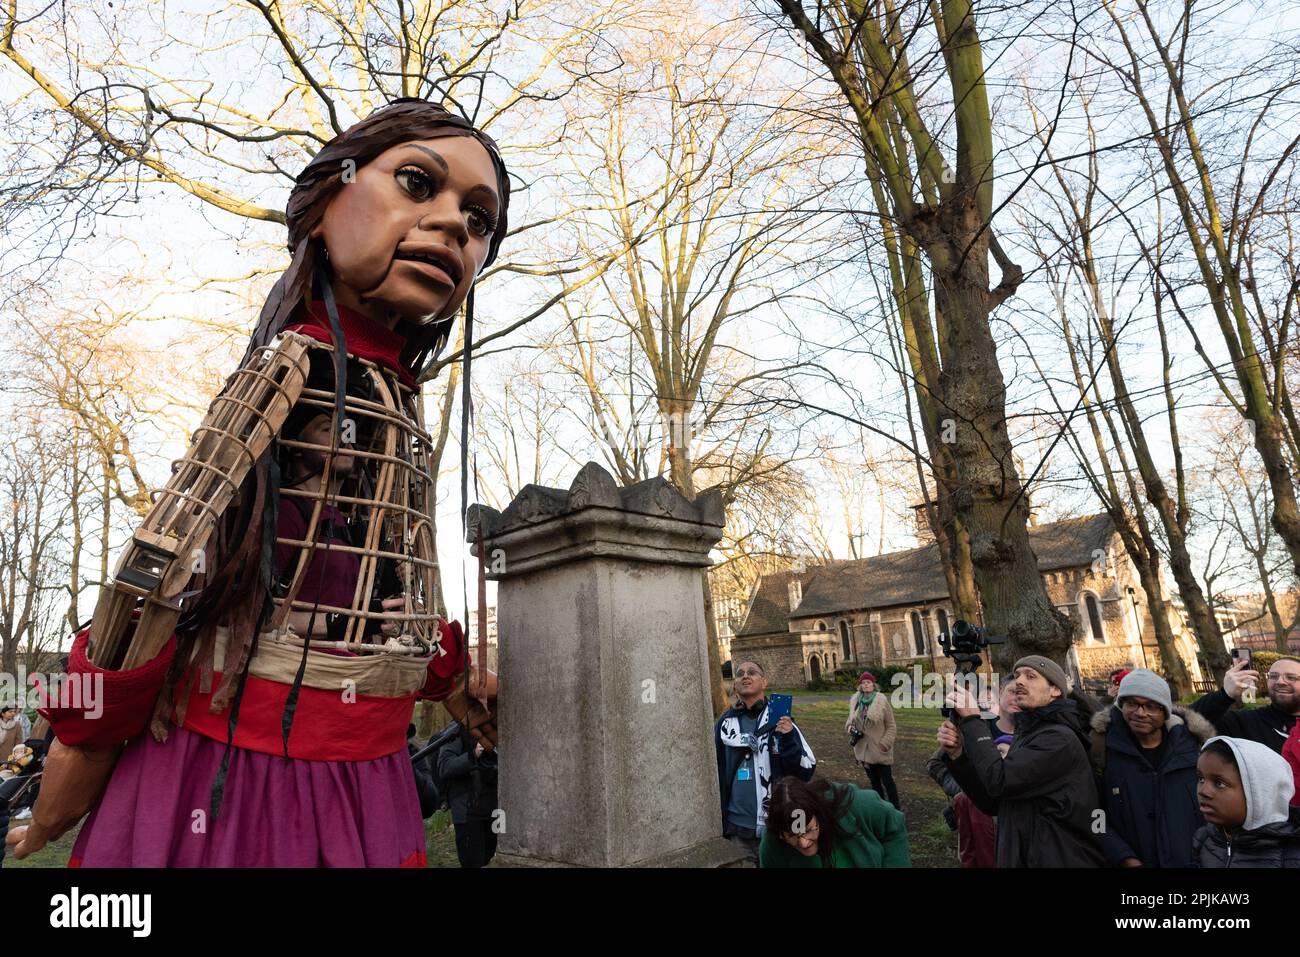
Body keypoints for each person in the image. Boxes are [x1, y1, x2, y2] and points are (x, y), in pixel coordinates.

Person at [11, 99, 510, 867]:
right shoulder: (286, 371)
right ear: (324, 204)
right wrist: (60, 794)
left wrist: (454, 679)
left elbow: (403, 587)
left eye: (478, 220)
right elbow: (142, 599)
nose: (452, 226)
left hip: (367, 783)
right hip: (233, 782)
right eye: (417, 183)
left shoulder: (400, 409)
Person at [938, 655, 1105, 867]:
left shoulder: (1059, 739)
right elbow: (994, 802)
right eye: (1017, 675)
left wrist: (972, 720)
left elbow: (999, 780)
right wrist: (958, 757)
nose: (1019, 681)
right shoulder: (1028, 734)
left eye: (1031, 676)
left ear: (1055, 690)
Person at [1089, 668, 1213, 868]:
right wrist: (1123, 857)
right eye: (1132, 704)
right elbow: (1094, 815)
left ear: (1164, 711)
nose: (1140, 713)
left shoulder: (1191, 748)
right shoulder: (1102, 748)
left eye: (1150, 706)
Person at [715, 659, 816, 863]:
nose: (745, 676)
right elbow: (714, 770)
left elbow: (806, 770)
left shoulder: (781, 721)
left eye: (752, 672)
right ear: (734, 685)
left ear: (764, 682)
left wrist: (788, 740)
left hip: (778, 827)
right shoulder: (724, 725)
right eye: (740, 673)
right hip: (737, 828)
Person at [927, 680, 1019, 868]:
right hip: (980, 824)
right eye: (1011, 691)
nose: (1016, 698)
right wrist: (965, 791)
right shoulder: (977, 728)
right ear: (1001, 693)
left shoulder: (1033, 736)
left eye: (1021, 693)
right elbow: (935, 762)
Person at [758, 775, 909, 868]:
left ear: (818, 813)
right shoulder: (772, 844)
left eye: (809, 830)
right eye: (792, 835)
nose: (804, 843)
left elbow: (893, 825)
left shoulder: (856, 804)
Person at [1193, 736, 1300, 867]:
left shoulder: (1292, 856)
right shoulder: (1205, 839)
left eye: (1219, 783)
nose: (1203, 791)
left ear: (1259, 793)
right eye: (1201, 779)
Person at [1191, 656, 1300, 753]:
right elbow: (1187, 723)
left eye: (1291, 677)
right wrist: (1224, 695)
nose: (1280, 682)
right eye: (1273, 676)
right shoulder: (1245, 723)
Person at [437, 722, 499, 868]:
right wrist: (473, 755)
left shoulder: (498, 725)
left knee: (493, 860)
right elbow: (445, 767)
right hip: (467, 812)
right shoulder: (457, 731)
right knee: (472, 862)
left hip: (496, 810)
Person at [845, 671, 900, 809]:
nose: (866, 685)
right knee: (874, 783)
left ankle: (896, 810)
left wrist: (885, 743)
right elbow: (849, 720)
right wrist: (849, 727)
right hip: (863, 750)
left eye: (868, 682)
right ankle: (881, 809)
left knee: (888, 782)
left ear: (873, 684)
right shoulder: (856, 701)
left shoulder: (881, 701)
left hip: (880, 749)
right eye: (863, 683)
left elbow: (891, 725)